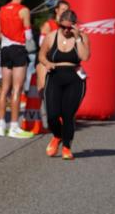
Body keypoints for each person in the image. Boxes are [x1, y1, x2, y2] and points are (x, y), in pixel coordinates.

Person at [38, 9, 90, 160]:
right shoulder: (51, 37)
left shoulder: (82, 37)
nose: (66, 30)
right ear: (59, 24)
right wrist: (47, 63)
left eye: (69, 27)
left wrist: (78, 38)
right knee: (52, 115)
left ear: (75, 25)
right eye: (63, 27)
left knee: (68, 115)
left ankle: (67, 147)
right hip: (54, 76)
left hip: (75, 78)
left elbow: (85, 57)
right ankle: (57, 136)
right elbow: (41, 55)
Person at [0, 0, 35, 138]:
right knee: (17, 88)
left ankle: (1, 126)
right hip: (18, 49)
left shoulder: (2, 9)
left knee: (4, 89)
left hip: (5, 49)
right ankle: (14, 127)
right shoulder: (24, 10)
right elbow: (28, 34)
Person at [37, 0, 70, 92]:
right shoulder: (49, 24)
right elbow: (41, 44)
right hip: (47, 61)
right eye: (63, 9)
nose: (65, 12)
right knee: (44, 90)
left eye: (67, 10)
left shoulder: (68, 27)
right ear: (57, 10)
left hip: (63, 62)